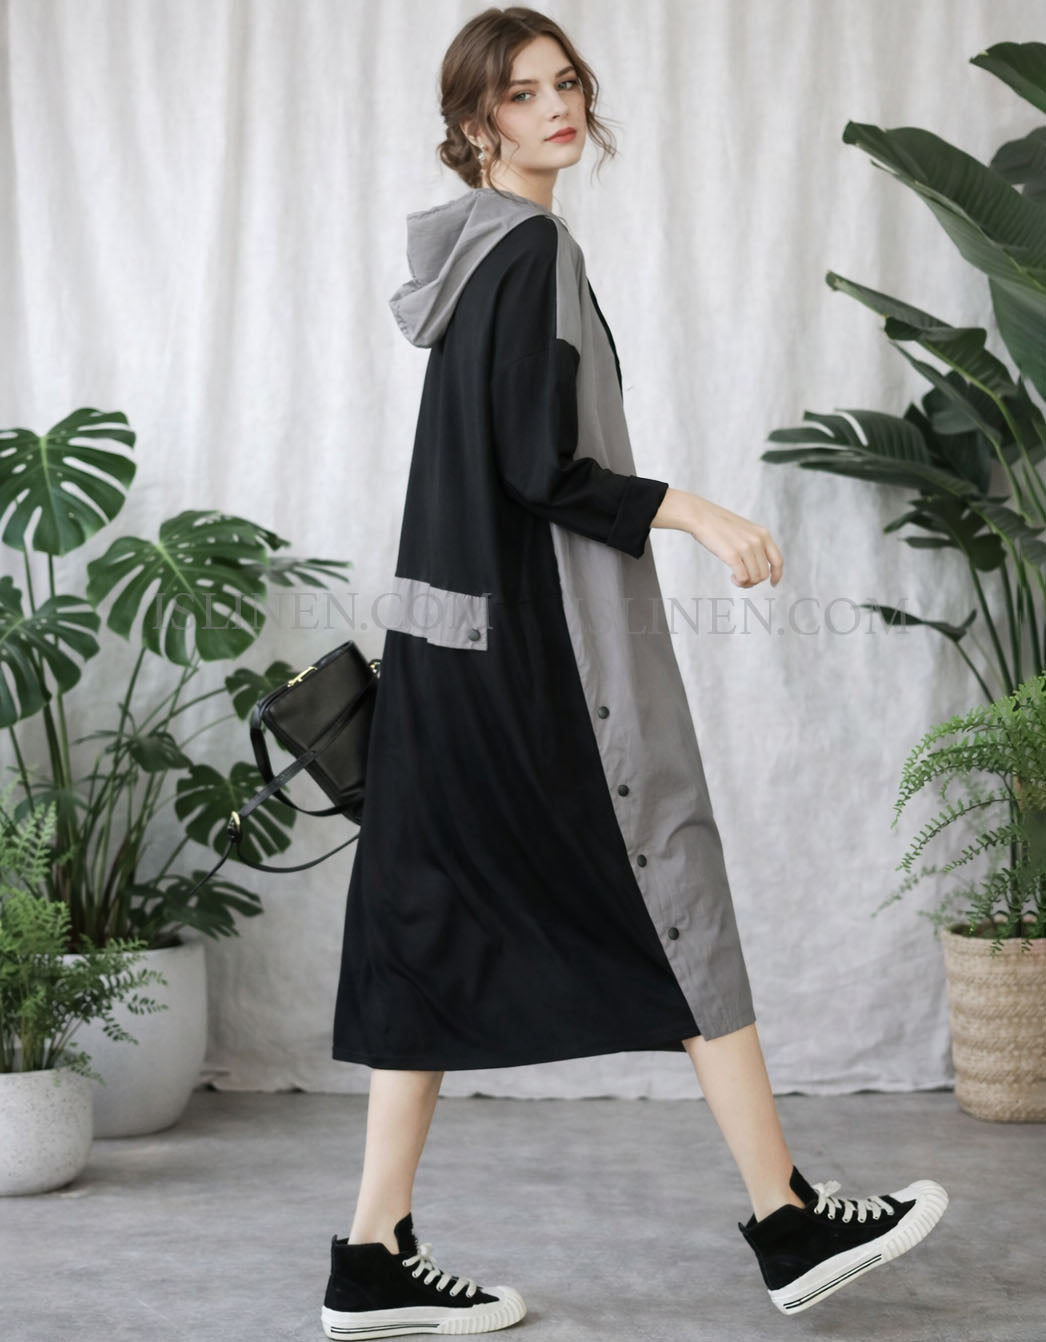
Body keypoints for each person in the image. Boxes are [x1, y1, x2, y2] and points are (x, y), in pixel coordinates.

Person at [321, 8, 948, 1338]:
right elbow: (537, 470)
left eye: (565, 83)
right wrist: (696, 511)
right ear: (475, 124)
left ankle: (372, 1254)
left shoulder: (478, 257)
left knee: (428, 926)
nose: (555, 107)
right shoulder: (529, 248)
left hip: (445, 659)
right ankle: (785, 1221)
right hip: (530, 666)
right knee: (671, 879)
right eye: (520, 94)